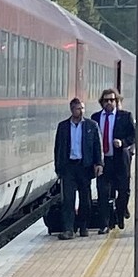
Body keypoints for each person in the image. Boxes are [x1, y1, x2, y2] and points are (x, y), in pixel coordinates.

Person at [52, 93, 104, 236]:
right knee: (68, 200)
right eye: (77, 109)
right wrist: (58, 168)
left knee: (85, 199)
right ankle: (68, 229)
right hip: (69, 167)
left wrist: (99, 163)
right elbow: (58, 148)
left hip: (84, 167)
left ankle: (83, 227)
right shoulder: (63, 127)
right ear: (71, 110)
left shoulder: (91, 125)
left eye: (82, 108)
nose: (80, 111)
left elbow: (97, 146)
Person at [96, 84, 135, 227]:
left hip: (120, 160)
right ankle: (106, 223)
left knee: (123, 191)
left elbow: (134, 135)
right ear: (102, 102)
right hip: (104, 161)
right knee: (104, 193)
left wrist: (123, 142)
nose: (109, 103)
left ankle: (120, 214)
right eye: (106, 100)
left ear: (116, 101)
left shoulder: (125, 116)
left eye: (112, 100)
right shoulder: (95, 118)